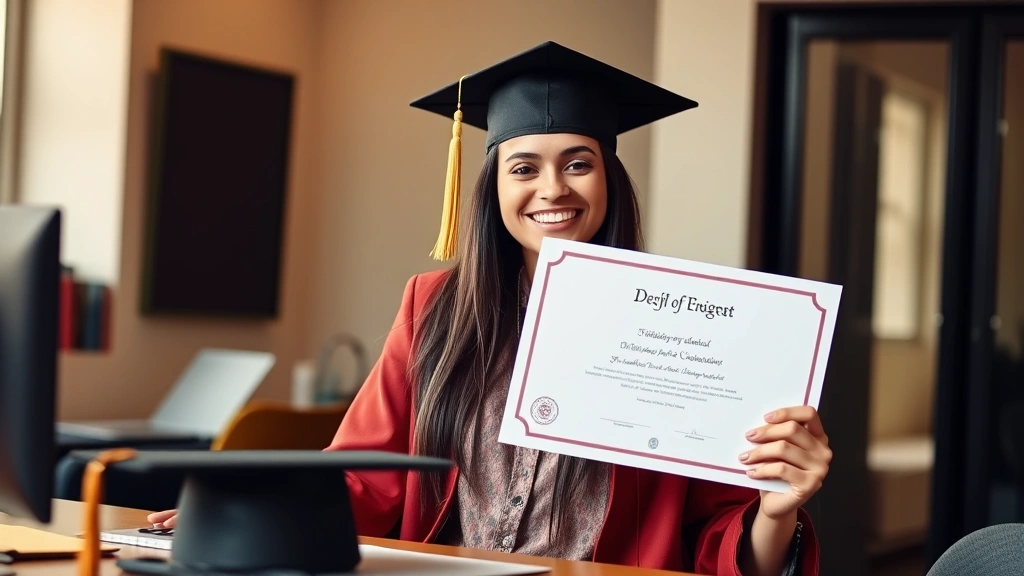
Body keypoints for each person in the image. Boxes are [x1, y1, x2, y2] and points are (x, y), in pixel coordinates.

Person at [148, 41, 831, 575]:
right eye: (524, 167)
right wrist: (249, 509)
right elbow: (364, 474)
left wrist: (777, 510)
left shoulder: (677, 326)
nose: (552, 189)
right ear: (493, 187)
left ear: (610, 178)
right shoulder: (432, 307)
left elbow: (720, 537)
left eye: (578, 163)